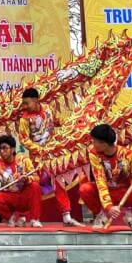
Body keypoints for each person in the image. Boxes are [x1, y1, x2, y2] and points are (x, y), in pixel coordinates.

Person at [17, 87, 83, 227]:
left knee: (58, 182)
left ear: (36, 100)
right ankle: (26, 216)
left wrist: (70, 124)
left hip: (53, 156)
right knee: (33, 186)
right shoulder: (24, 119)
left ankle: (66, 215)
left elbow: (57, 122)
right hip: (37, 159)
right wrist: (40, 149)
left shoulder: (48, 109)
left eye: (27, 103)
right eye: (24, 103)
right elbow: (24, 139)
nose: (25, 106)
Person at [79, 123, 132, 230]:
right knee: (85, 189)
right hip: (106, 192)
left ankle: (130, 216)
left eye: (95, 141)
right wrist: (108, 207)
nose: (93, 144)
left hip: (125, 192)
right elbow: (100, 181)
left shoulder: (129, 154)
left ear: (104, 144)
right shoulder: (94, 154)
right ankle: (101, 215)